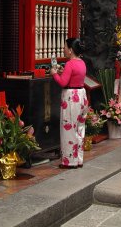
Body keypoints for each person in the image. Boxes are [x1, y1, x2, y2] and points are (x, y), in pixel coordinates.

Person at [50, 38, 88, 169]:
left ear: (71, 50)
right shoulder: (82, 63)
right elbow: (73, 77)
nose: (64, 49)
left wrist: (54, 74)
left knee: (69, 129)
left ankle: (69, 161)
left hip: (71, 98)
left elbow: (63, 82)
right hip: (82, 95)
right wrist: (62, 72)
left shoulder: (70, 64)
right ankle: (78, 159)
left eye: (65, 47)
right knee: (80, 128)